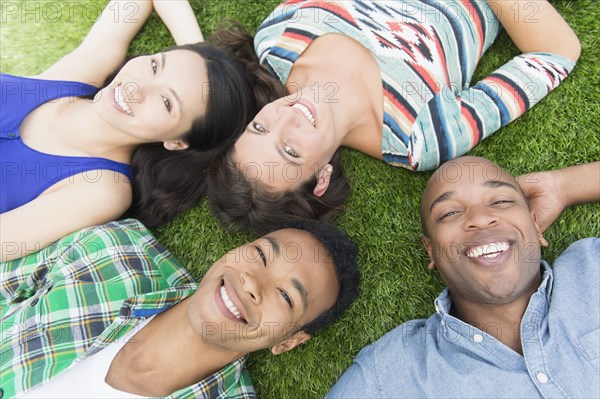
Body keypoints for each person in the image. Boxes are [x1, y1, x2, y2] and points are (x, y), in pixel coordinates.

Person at [205, 0, 581, 235]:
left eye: (260, 127)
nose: (287, 118)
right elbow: (555, 52)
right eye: (289, 150)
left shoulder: (279, 38)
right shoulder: (421, 135)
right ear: (321, 178)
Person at [0, 0, 277, 262]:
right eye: (156, 65)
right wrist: (197, 52)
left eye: (167, 102)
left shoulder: (101, 189)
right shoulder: (81, 72)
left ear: (177, 142)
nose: (136, 88)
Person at [326, 157, 600, 398]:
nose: (480, 219)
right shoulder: (391, 373)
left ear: (536, 226)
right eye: (450, 213)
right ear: (431, 250)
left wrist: (561, 186)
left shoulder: (591, 266)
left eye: (501, 201)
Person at [0, 218, 360, 398]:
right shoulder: (112, 250)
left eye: (286, 297)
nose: (253, 283)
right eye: (261, 254)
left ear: (289, 341)